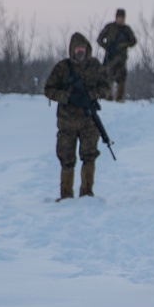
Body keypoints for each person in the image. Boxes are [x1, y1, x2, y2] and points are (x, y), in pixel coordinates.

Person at [43, 32, 111, 200]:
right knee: (66, 159)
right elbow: (49, 90)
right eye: (77, 48)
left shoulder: (95, 66)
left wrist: (90, 95)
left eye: (82, 48)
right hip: (67, 123)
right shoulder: (62, 68)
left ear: (87, 49)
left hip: (89, 122)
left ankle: (87, 194)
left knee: (89, 156)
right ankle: (66, 196)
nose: (79, 51)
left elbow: (107, 87)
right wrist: (68, 97)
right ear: (72, 50)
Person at [96, 8, 137, 102]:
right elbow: (99, 39)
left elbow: (133, 41)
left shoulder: (126, 29)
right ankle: (108, 96)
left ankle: (119, 97)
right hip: (111, 56)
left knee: (121, 77)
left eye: (122, 18)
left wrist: (123, 45)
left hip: (122, 57)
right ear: (116, 17)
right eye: (119, 17)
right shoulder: (109, 27)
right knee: (109, 75)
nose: (121, 19)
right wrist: (107, 47)